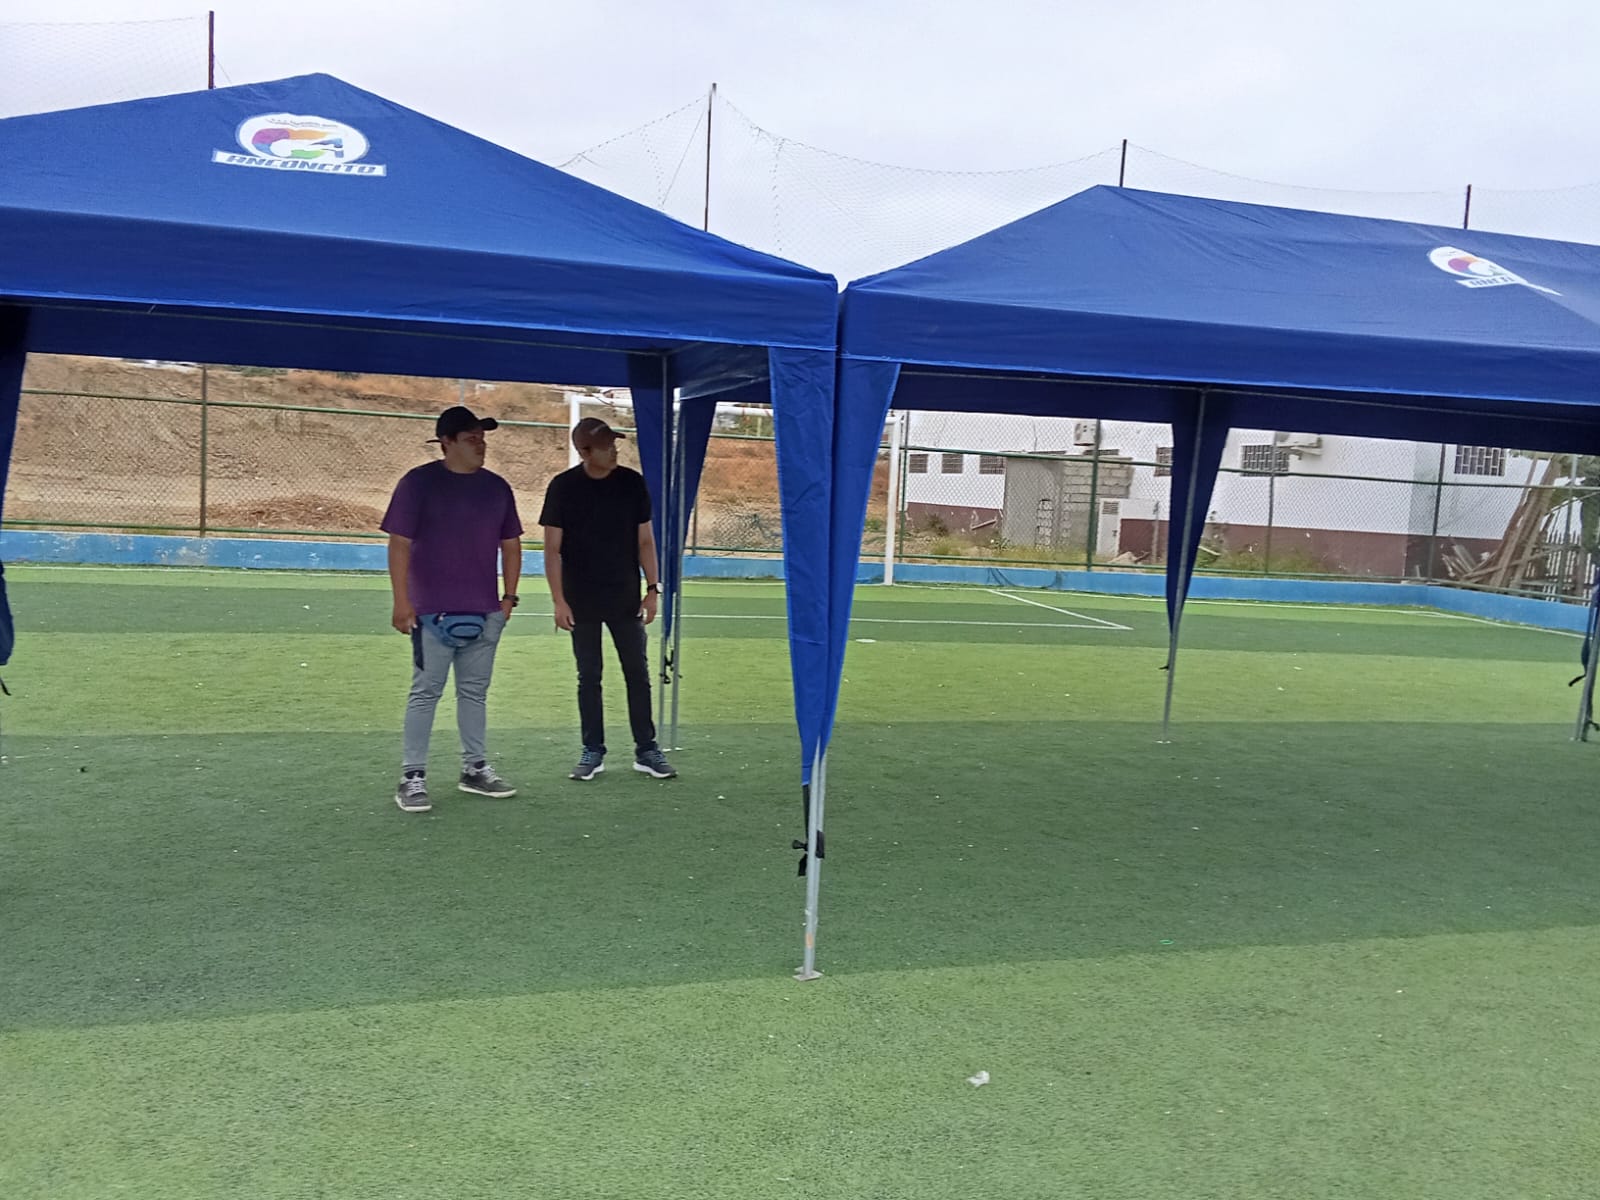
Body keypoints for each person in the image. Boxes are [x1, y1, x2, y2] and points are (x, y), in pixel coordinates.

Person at [381, 404, 524, 813]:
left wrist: (508, 599)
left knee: (474, 693)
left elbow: (511, 544)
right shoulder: (417, 483)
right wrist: (402, 600)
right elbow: (399, 543)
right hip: (430, 613)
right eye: (471, 438)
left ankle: (475, 768)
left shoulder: (497, 488)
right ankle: (412, 777)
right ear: (446, 442)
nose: (481, 445)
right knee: (425, 692)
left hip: (485, 611)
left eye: (482, 438)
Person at [540, 417, 676, 781]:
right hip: (580, 599)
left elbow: (645, 540)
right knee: (589, 676)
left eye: (615, 444)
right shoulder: (563, 488)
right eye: (606, 446)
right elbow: (552, 550)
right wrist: (558, 600)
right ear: (584, 451)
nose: (614, 451)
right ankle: (592, 750)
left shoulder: (632, 483)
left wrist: (653, 589)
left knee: (637, 673)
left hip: (625, 596)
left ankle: (646, 749)